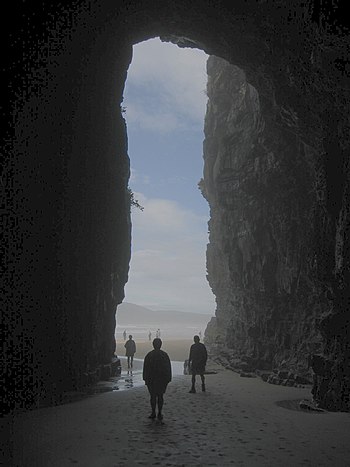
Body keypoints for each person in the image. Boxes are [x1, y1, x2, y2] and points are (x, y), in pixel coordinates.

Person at [143, 338, 172, 421]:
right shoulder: (164, 355)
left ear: (153, 344)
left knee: (152, 396)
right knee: (160, 396)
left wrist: (145, 378)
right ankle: (159, 412)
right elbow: (168, 368)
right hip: (161, 379)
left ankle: (153, 412)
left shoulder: (149, 355)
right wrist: (168, 378)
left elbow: (146, 368)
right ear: (161, 344)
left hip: (151, 379)